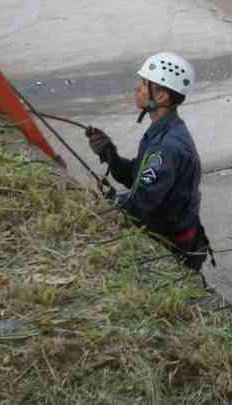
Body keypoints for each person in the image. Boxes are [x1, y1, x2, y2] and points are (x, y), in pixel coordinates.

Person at [85, 52, 213, 273]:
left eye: (145, 84)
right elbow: (139, 176)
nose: (138, 89)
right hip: (169, 232)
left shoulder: (167, 147)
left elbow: (140, 204)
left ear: (161, 95)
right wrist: (111, 156)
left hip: (172, 246)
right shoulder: (163, 130)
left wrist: (109, 203)